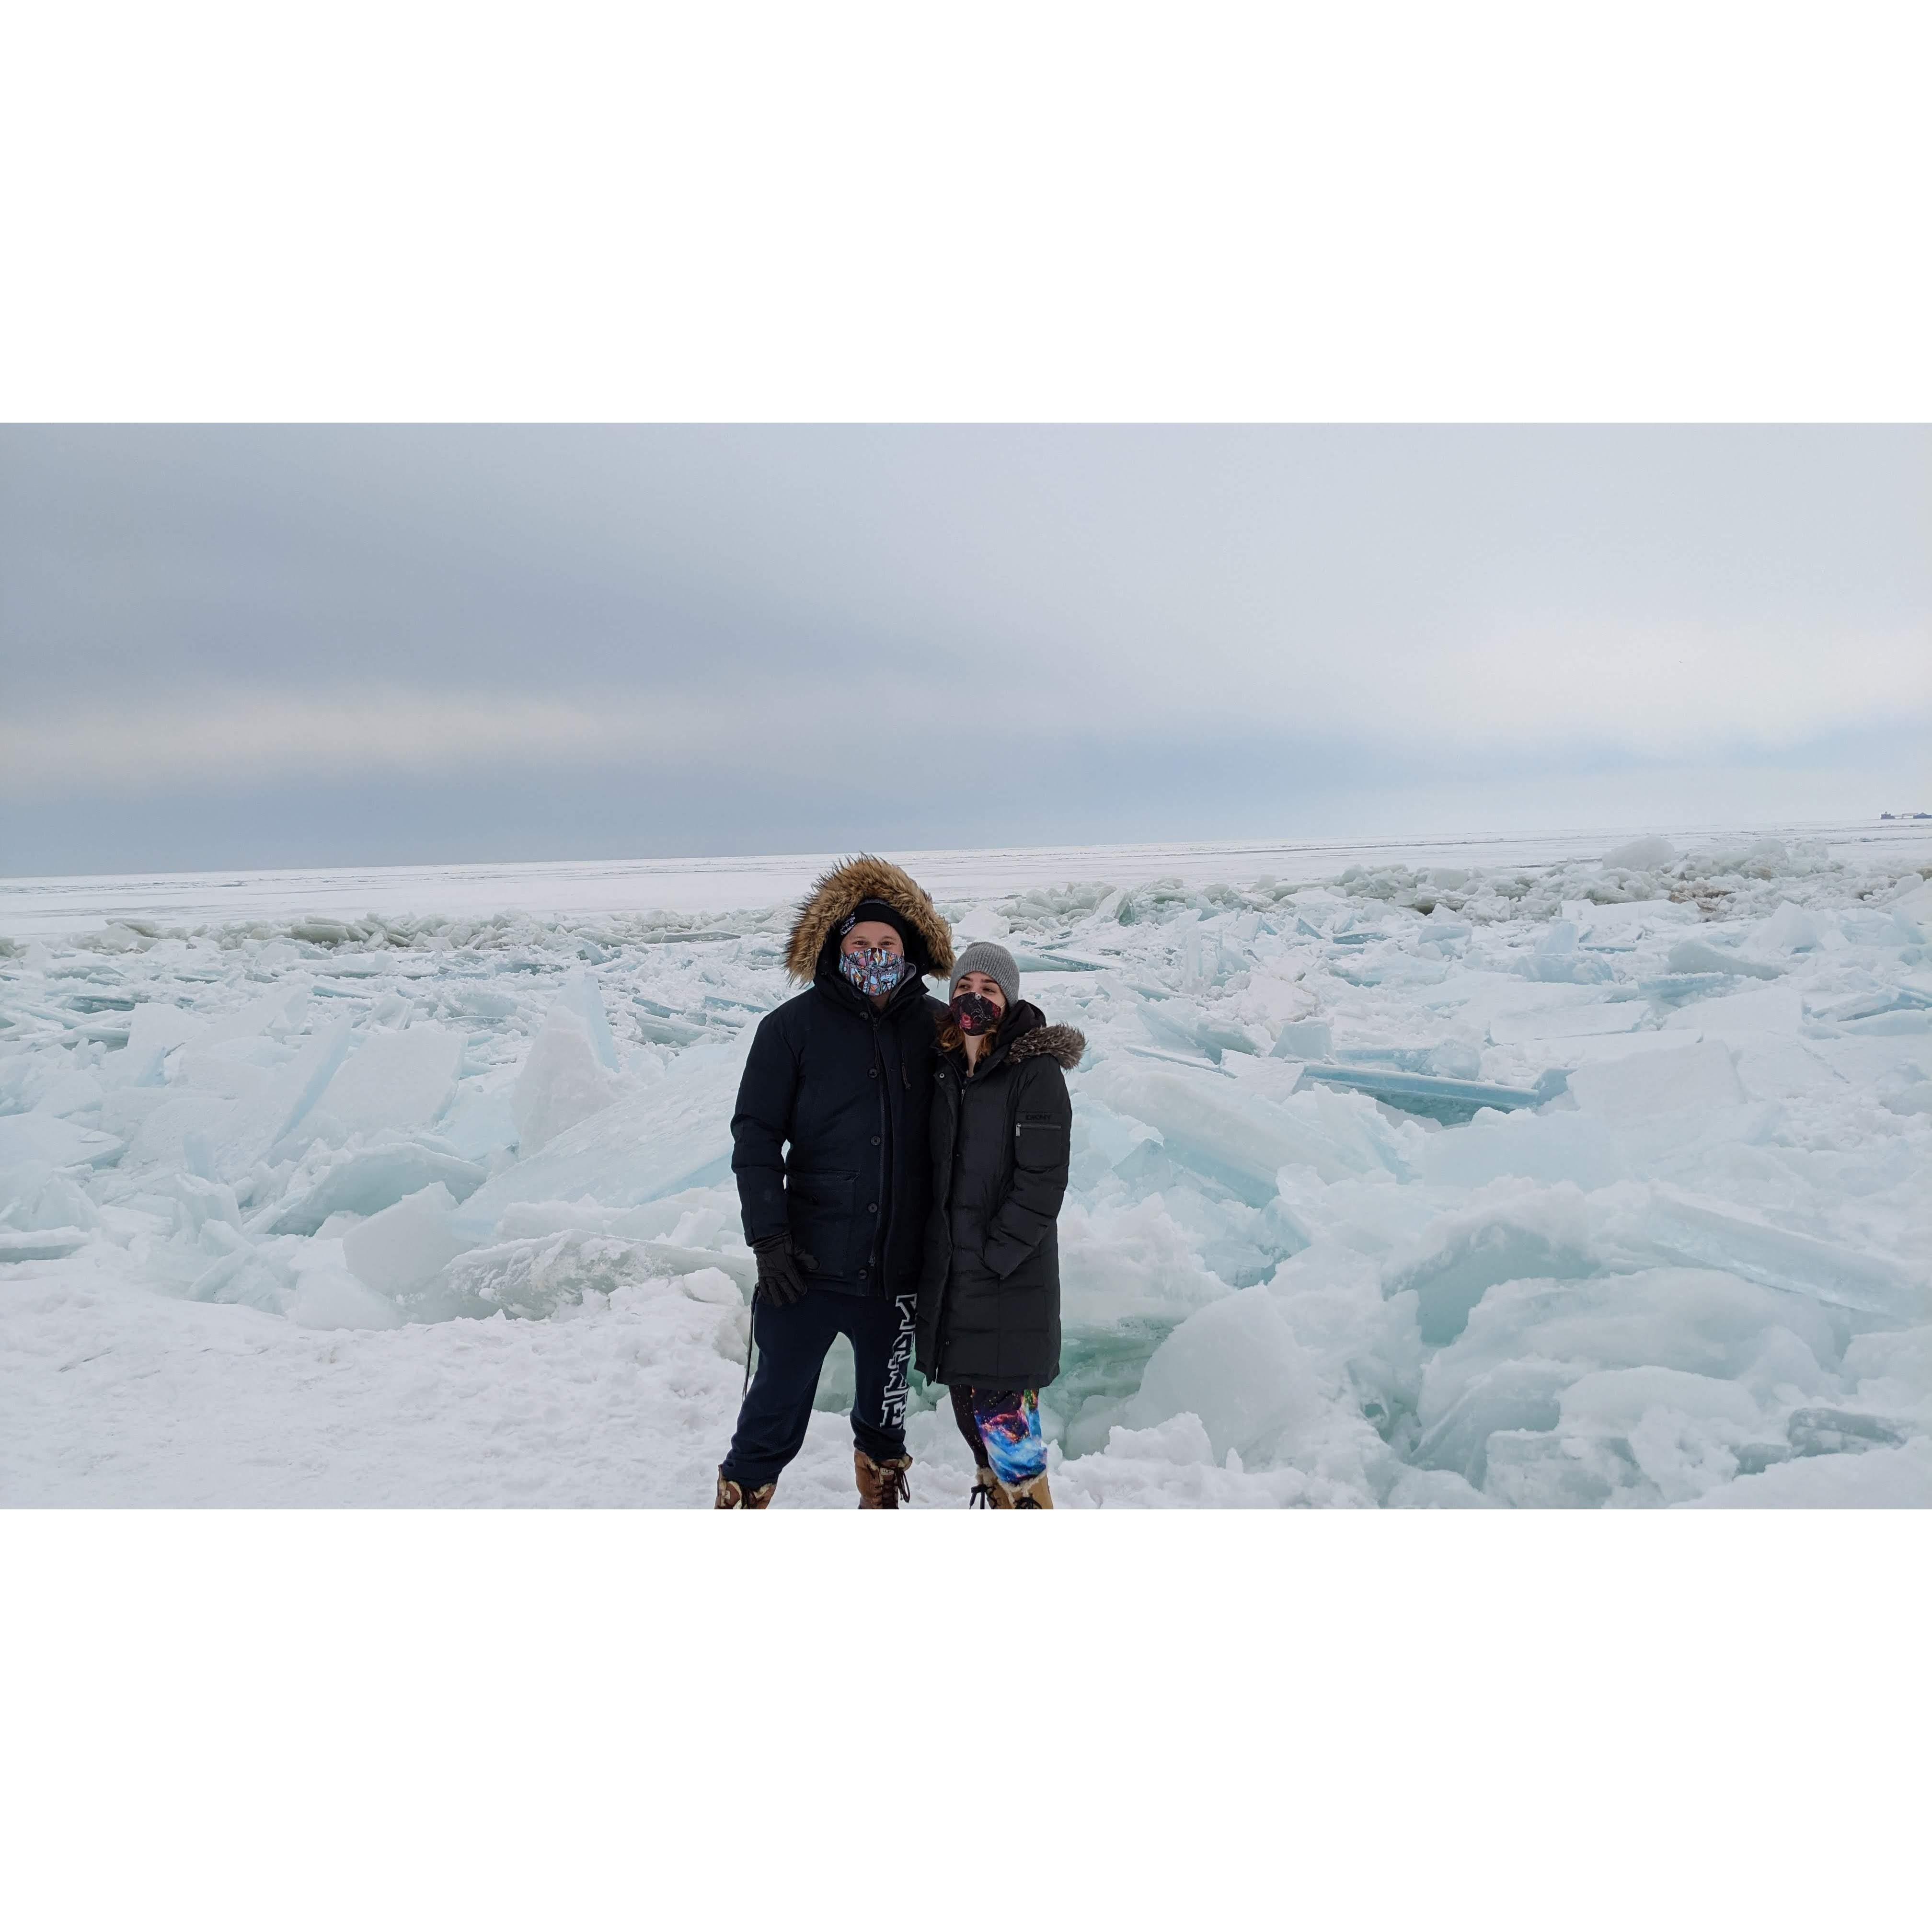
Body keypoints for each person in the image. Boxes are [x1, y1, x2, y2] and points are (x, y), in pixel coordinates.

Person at [715, 856, 953, 1508]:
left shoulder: (937, 1028)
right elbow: (756, 1138)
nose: (873, 954)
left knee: (886, 1417)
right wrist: (770, 1241)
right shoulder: (790, 1030)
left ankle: (879, 1497)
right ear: (836, 946)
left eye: (887, 945)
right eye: (860, 944)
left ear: (909, 950)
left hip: (897, 1273)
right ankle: (742, 1497)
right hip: (807, 1266)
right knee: (772, 1411)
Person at [916, 940, 1083, 1508]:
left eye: (989, 990)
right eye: (965, 987)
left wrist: (996, 1256)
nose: (975, 997)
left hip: (1007, 1278)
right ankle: (1000, 1500)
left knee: (1009, 1427)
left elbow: (1042, 1180)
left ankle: (1029, 1510)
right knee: (969, 1406)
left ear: (1009, 1001)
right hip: (958, 1275)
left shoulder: (1033, 1073)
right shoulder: (946, 1069)